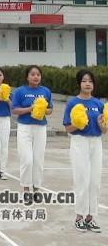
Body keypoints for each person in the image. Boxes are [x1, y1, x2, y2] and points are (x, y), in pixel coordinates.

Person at [62, 69, 107, 233]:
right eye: (84, 81)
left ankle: (91, 217)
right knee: (82, 179)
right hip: (79, 142)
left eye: (90, 81)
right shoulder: (73, 103)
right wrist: (79, 124)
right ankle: (79, 217)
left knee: (95, 181)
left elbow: (104, 130)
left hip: (96, 143)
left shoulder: (98, 104)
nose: (88, 84)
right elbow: (68, 127)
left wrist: (102, 124)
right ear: (79, 83)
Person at [11, 65, 53, 192]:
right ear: (27, 77)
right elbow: (14, 110)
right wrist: (30, 109)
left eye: (38, 75)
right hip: (25, 127)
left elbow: (50, 109)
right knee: (27, 159)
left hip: (40, 128)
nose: (36, 77)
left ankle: (36, 187)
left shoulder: (45, 91)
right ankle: (26, 187)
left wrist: (43, 110)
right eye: (33, 74)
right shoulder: (20, 91)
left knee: (38, 159)